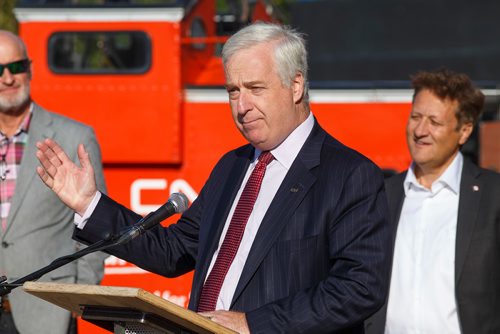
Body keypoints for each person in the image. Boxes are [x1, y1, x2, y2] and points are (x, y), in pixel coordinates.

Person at [36, 23, 392, 333]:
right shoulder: (232, 166)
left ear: (296, 85)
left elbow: (359, 287)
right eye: (233, 91)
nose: (241, 106)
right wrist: (89, 204)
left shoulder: (349, 175)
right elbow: (173, 252)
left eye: (255, 88)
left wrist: (253, 324)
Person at [364, 69, 500, 334]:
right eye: (415, 117)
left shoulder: (492, 197)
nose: (420, 130)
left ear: (464, 131)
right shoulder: (381, 195)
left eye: (435, 122)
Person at [0, 30, 108, 334]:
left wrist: (79, 298)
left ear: (30, 69)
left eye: (16, 67)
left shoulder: (75, 136)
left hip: (47, 314)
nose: (8, 78)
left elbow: (96, 227)